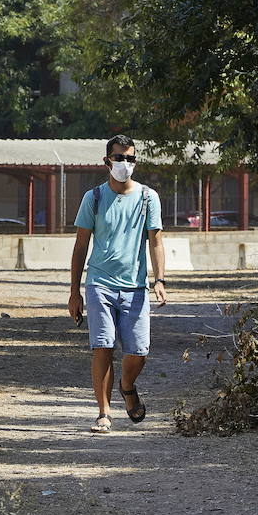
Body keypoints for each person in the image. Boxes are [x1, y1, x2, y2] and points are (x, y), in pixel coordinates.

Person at [67, 135, 167, 433]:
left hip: (135, 287)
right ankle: (104, 412)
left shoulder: (149, 197)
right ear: (107, 161)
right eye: (119, 158)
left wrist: (159, 280)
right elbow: (80, 245)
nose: (125, 164)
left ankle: (126, 386)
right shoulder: (93, 198)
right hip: (100, 284)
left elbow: (156, 242)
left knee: (138, 352)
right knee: (103, 346)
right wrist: (75, 292)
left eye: (130, 158)